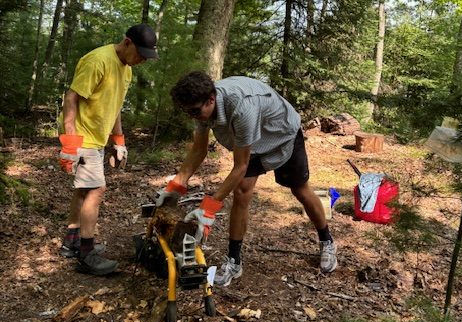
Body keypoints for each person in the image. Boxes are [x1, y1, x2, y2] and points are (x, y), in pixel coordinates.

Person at [155, 71, 337, 287]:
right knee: (241, 192)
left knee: (300, 189)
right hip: (253, 144)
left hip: (282, 134)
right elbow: (198, 150)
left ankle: (327, 241)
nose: (194, 117)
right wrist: (175, 186)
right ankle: (234, 261)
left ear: (211, 99)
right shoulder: (201, 108)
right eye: (188, 113)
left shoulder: (242, 108)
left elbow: (240, 165)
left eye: (195, 111)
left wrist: (209, 207)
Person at [58, 24, 158, 276]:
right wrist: (70, 142)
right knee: (96, 189)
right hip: (84, 138)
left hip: (98, 139)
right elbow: (71, 98)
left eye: (147, 57)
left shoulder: (126, 70)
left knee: (83, 191)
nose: (142, 61)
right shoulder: (98, 60)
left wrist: (119, 140)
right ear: (126, 43)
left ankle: (73, 241)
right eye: (140, 54)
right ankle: (87, 253)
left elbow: (115, 107)